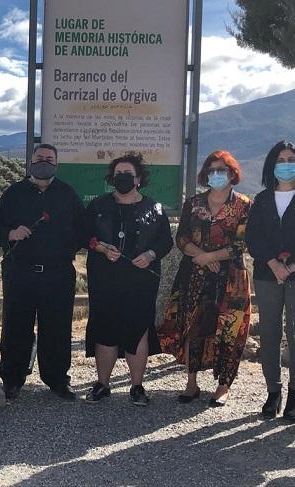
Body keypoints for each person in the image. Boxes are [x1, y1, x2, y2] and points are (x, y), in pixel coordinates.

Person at [0, 143, 87, 401]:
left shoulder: (67, 194)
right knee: (15, 326)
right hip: (20, 273)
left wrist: (63, 248)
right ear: (31, 161)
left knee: (57, 328)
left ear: (56, 164)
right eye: (39, 157)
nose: (44, 162)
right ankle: (12, 378)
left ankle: (57, 380)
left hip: (57, 275)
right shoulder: (14, 193)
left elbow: (82, 229)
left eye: (49, 158)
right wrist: (10, 233)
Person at [158, 150, 252, 407]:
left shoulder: (244, 204)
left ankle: (223, 386)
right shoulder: (194, 203)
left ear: (232, 174)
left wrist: (213, 257)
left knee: (228, 330)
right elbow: (182, 238)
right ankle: (191, 383)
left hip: (231, 278)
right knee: (192, 326)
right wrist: (201, 255)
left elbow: (244, 242)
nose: (216, 174)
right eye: (212, 170)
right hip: (195, 273)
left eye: (222, 169)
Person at [84, 154, 172, 406]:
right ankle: (102, 384)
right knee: (105, 331)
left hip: (141, 281)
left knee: (138, 331)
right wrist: (100, 248)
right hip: (104, 279)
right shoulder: (98, 205)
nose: (122, 178)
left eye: (127, 174)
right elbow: (83, 235)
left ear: (138, 179)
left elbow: (165, 241)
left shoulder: (154, 208)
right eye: (117, 174)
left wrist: (150, 254)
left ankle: (137, 386)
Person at [245, 140, 295, 420]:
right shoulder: (262, 200)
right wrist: (274, 263)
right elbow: (253, 237)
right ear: (271, 165)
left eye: (291, 159)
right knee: (270, 334)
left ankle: (294, 395)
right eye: (281, 160)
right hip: (267, 274)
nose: (286, 165)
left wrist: (291, 266)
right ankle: (273, 392)